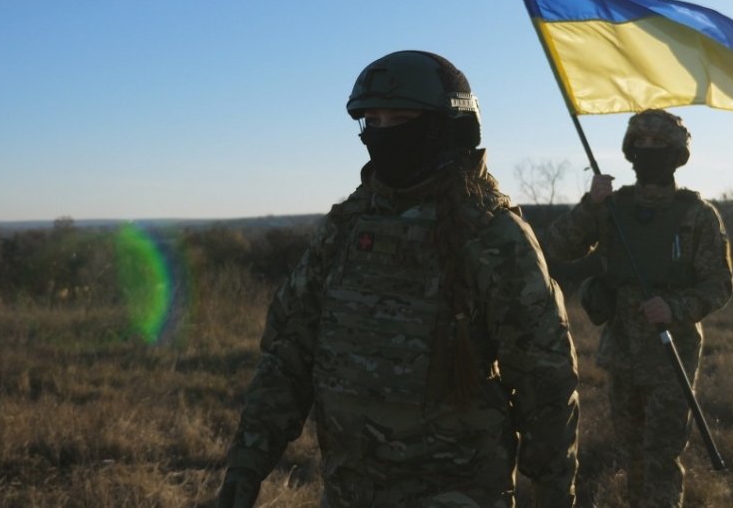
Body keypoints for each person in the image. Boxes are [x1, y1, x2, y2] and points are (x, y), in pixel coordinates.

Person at [217, 50, 580, 508]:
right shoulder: (346, 227)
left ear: (447, 127)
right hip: (349, 490)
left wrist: (553, 493)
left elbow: (545, 383)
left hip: (457, 492)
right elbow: (289, 353)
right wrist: (246, 467)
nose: (385, 134)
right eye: (374, 122)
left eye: (401, 119)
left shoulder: (492, 236)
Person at [541, 109, 733, 508]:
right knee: (631, 455)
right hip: (622, 350)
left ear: (677, 153)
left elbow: (719, 285)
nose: (648, 153)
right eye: (640, 145)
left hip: (671, 353)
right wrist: (591, 205)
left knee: (660, 457)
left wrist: (676, 306)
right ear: (630, 151)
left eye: (658, 146)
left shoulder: (697, 216)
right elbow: (557, 247)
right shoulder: (613, 207)